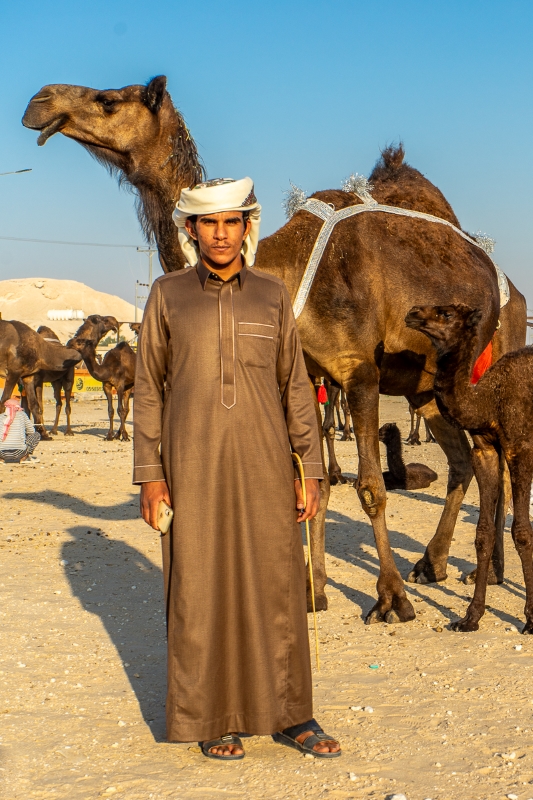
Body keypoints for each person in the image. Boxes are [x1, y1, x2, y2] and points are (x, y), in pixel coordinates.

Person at [133, 177, 341, 760]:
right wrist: (151, 476)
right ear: (191, 230)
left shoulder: (272, 295)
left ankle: (293, 713)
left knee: (276, 583)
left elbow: (295, 387)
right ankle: (212, 716)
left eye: (232, 222)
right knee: (198, 586)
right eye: (209, 223)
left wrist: (312, 468)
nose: (221, 234)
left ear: (247, 227)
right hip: (190, 463)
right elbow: (149, 387)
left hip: (265, 463)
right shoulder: (168, 294)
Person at [0, 397, 41, 464]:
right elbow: (31, 431)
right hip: (20, 453)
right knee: (37, 435)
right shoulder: (22, 415)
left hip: (1, 453)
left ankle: (1, 459)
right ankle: (24, 458)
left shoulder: (1, 416)